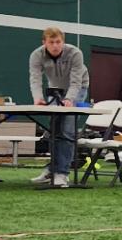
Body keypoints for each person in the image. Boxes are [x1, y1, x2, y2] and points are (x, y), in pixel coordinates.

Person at [28, 27, 89, 188]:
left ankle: (62, 174)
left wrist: (70, 99)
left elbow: (76, 81)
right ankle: (51, 170)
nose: (55, 45)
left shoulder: (75, 53)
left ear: (63, 41)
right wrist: (38, 98)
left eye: (58, 42)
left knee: (67, 130)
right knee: (54, 131)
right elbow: (35, 79)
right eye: (51, 42)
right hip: (54, 90)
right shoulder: (36, 55)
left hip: (78, 88)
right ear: (44, 43)